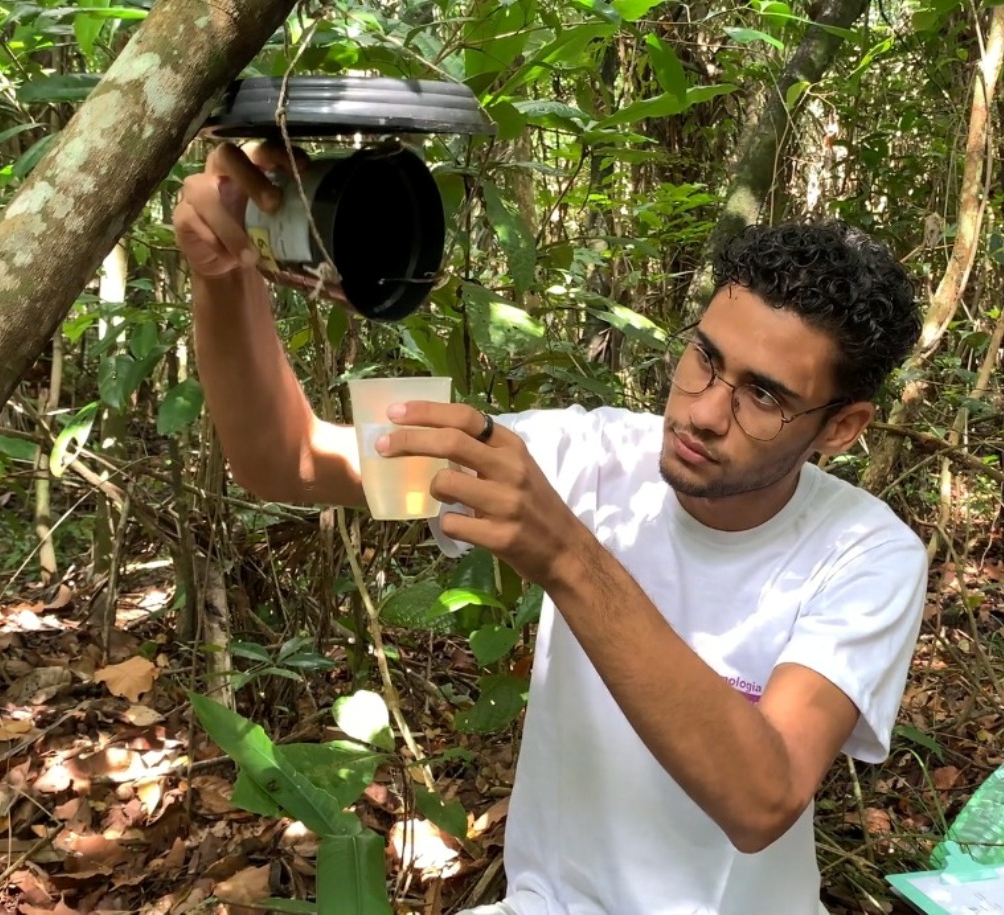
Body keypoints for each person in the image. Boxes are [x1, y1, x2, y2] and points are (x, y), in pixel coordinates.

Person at [175, 141, 929, 915]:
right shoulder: (589, 454)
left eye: (764, 396)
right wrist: (224, 279)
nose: (705, 410)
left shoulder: (867, 552)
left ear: (842, 427)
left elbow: (761, 798)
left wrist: (567, 553)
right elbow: (291, 460)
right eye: (705, 356)